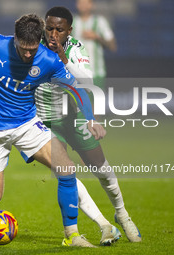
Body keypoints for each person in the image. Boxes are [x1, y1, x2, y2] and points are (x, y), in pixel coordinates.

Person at [0, 13, 106, 248]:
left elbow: (75, 89)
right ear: (14, 38)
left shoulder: (49, 60)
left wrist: (90, 119)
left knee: (66, 168)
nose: (27, 54)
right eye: (23, 48)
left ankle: (72, 236)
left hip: (26, 125)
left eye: (32, 49)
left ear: (39, 42)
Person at [39, 6, 141, 243]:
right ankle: (101, 225)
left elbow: (85, 82)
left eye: (59, 30)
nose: (53, 34)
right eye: (49, 28)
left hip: (74, 116)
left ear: (69, 31)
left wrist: (62, 58)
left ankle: (122, 214)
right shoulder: (35, 46)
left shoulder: (76, 48)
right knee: (66, 173)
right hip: (46, 121)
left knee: (102, 170)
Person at [72, 0, 117, 92]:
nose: (83, 5)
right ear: (77, 5)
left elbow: (112, 46)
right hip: (77, 73)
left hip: (96, 73)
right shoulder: (72, 23)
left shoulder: (100, 22)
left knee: (95, 104)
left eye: (86, 3)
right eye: (80, 3)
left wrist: (97, 37)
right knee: (79, 105)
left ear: (91, 5)